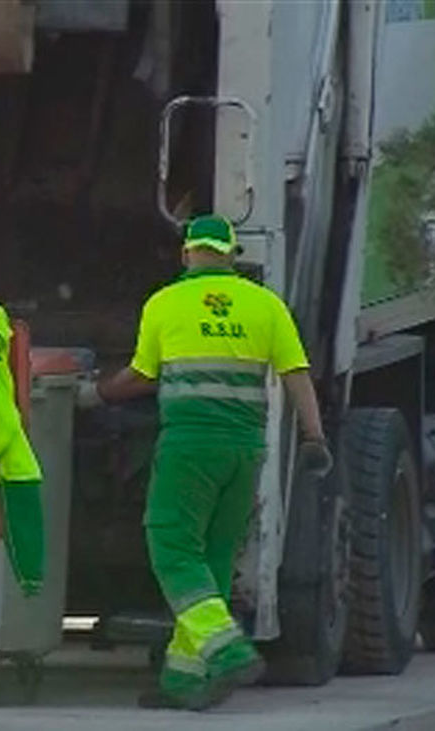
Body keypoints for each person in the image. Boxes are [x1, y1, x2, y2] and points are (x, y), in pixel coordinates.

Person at [78, 213, 332, 710]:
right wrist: (314, 436)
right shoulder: (266, 305)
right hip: (245, 450)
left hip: (189, 445)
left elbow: (141, 374)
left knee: (170, 542)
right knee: (213, 560)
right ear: (232, 255)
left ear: (186, 253)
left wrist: (95, 394)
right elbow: (296, 373)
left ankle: (226, 647)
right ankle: (186, 681)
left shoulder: (166, 303)